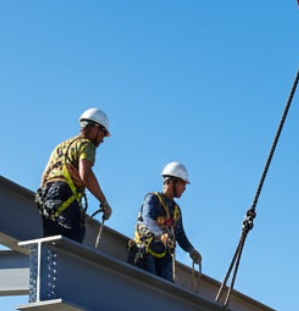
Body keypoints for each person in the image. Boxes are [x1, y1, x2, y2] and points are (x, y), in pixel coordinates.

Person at [36, 108, 112, 243]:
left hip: (46, 198)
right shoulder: (87, 144)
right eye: (103, 133)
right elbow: (86, 174)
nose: (102, 140)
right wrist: (103, 201)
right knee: (72, 241)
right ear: (95, 128)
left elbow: (44, 177)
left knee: (49, 244)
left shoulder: (61, 146)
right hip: (65, 195)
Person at [129, 162, 202, 282]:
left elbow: (180, 234)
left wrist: (191, 250)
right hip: (145, 250)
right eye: (182, 183)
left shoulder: (176, 210)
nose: (184, 188)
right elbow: (147, 219)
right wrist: (161, 234)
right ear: (171, 182)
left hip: (164, 255)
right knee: (150, 283)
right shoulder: (153, 199)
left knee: (167, 286)